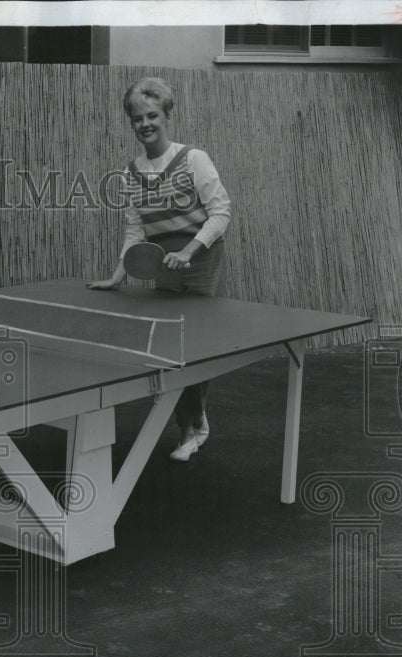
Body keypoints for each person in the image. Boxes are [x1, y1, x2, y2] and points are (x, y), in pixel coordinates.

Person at [88, 76, 231, 462]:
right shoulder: (130, 173)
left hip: (200, 258)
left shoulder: (193, 159)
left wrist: (189, 251)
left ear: (167, 116)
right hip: (162, 261)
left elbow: (221, 213)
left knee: (194, 345)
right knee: (171, 347)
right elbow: (136, 229)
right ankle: (194, 424)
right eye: (137, 118)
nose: (145, 124)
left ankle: (191, 427)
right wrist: (120, 273)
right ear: (131, 123)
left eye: (152, 115)